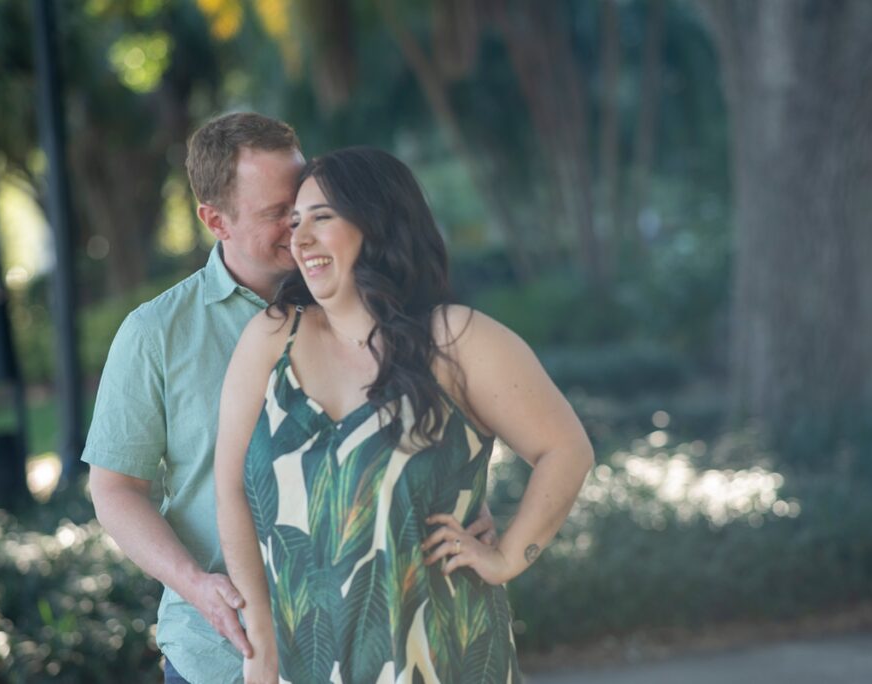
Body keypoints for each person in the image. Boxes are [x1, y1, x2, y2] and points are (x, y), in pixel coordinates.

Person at [82, 115, 496, 684]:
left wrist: (466, 499)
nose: (298, 225)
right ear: (214, 220)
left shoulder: (371, 300)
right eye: (277, 213)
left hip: (370, 647)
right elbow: (114, 489)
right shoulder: (156, 333)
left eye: (303, 201)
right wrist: (197, 586)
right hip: (222, 653)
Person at [214, 147, 594, 684]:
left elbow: (567, 449)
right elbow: (230, 488)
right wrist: (261, 647)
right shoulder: (272, 338)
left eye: (322, 218)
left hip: (444, 658)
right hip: (310, 666)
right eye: (295, 222)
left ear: (376, 221)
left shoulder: (454, 339)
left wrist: (509, 557)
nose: (299, 240)